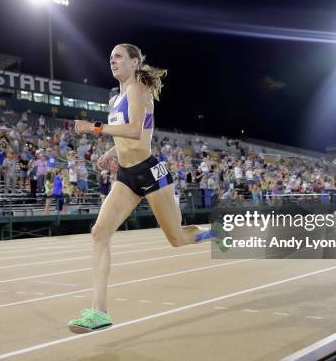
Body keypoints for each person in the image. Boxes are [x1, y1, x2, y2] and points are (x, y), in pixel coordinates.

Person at [67, 44, 228, 334]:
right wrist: (111, 154)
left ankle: (216, 233)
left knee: (177, 239)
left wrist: (94, 128)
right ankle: (98, 311)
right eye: (111, 57)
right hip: (127, 175)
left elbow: (135, 132)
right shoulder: (115, 98)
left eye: (118, 56)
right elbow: (124, 137)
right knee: (99, 232)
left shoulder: (138, 90)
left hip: (151, 172)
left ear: (134, 62)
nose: (112, 61)